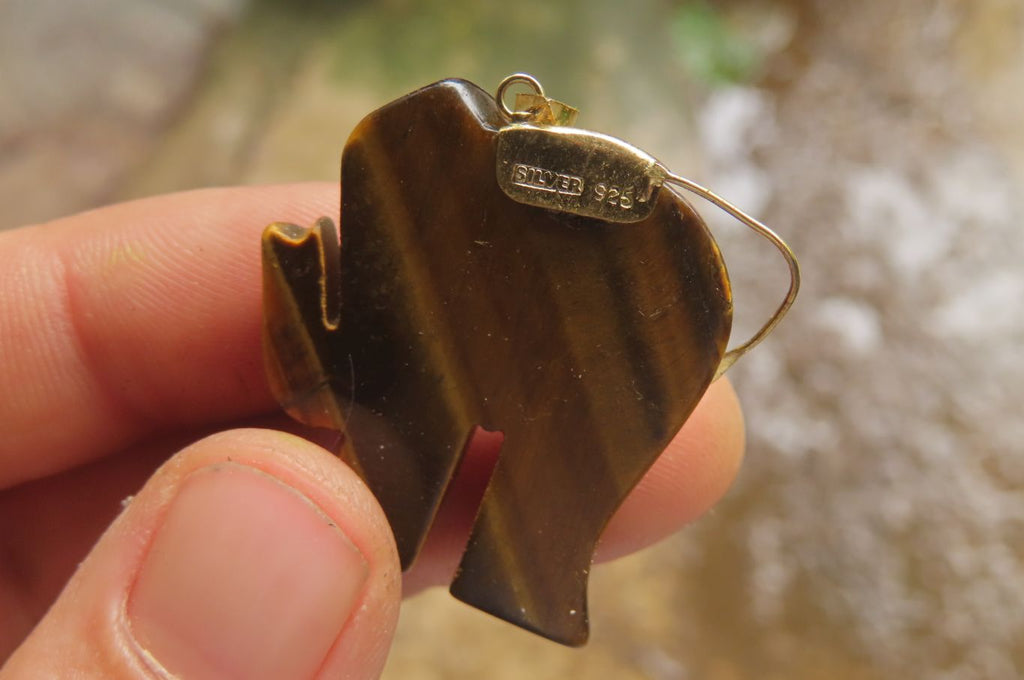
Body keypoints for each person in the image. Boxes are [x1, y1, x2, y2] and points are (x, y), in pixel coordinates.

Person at [0, 183, 744, 679]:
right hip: (580, 325)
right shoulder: (433, 230)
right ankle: (525, 579)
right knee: (431, 473)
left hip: (614, 337)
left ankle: (524, 579)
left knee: (504, 517)